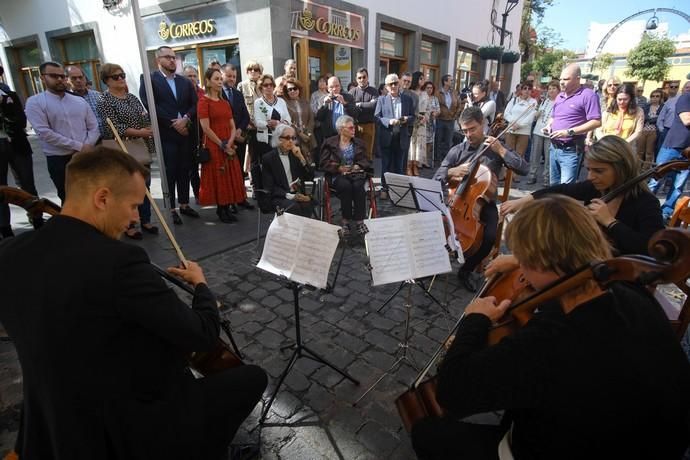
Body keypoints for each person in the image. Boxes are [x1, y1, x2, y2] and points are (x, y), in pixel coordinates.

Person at [0, 147, 267, 460]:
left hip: (50, 419)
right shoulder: (119, 263)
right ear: (102, 198)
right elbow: (202, 334)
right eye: (132, 206)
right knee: (252, 378)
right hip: (124, 425)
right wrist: (201, 287)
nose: (132, 218)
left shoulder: (9, 254)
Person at [411, 194, 690, 460]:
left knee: (427, 433)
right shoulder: (630, 290)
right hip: (654, 442)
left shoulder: (556, 334)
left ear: (537, 261)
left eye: (522, 259)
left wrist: (476, 319)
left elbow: (452, 390)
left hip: (571, 449)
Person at [501, 134, 664, 256]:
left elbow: (651, 248)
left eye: (599, 171)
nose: (590, 176)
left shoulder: (646, 203)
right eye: (590, 169)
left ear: (622, 168)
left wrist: (610, 222)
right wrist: (523, 201)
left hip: (617, 277)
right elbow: (561, 190)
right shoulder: (597, 188)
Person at [433, 106, 528, 292]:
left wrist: (501, 150)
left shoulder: (495, 146)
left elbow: (523, 169)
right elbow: (436, 177)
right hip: (456, 202)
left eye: (472, 129)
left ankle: (466, 270)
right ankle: (434, 262)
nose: (468, 134)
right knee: (432, 224)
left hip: (484, 204)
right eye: (464, 130)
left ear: (483, 124)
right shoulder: (457, 150)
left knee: (490, 236)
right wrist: (451, 171)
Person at [97, 62, 158, 239]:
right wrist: (138, 131)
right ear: (107, 80)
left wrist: (145, 128)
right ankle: (129, 224)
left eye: (123, 75)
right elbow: (111, 127)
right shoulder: (104, 100)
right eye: (116, 76)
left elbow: (143, 115)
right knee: (126, 190)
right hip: (121, 149)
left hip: (139, 146)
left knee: (143, 186)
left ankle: (145, 220)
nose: (121, 79)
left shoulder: (131, 97)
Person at [140, 46, 200, 225]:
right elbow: (150, 104)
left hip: (185, 134)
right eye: (168, 57)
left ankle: (183, 204)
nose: (172, 60)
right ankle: (171, 208)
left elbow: (194, 104)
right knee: (170, 172)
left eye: (174, 57)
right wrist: (173, 123)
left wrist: (186, 119)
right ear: (158, 60)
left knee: (184, 169)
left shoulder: (184, 81)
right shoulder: (150, 79)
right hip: (166, 135)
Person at [25, 61, 99, 203]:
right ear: (42, 78)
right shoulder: (35, 102)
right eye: (54, 76)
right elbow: (44, 133)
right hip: (59, 159)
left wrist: (87, 145)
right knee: (69, 198)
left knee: (93, 195)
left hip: (85, 155)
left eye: (62, 76)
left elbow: (94, 126)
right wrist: (79, 146)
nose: (59, 79)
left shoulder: (79, 101)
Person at [198, 68, 249, 223]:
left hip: (228, 144)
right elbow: (206, 128)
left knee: (229, 176)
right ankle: (221, 210)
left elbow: (232, 125)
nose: (220, 81)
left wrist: (231, 142)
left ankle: (227, 207)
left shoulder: (225, 103)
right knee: (219, 176)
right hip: (215, 145)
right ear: (208, 81)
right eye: (216, 79)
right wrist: (222, 144)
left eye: (221, 79)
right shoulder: (203, 102)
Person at [544, 64, 601, 184]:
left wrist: (569, 131)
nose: (562, 82)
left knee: (566, 189)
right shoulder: (560, 96)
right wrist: (549, 126)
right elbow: (554, 116)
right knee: (553, 186)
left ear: (578, 79)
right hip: (554, 147)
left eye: (566, 79)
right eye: (561, 79)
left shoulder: (588, 95)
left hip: (571, 149)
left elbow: (596, 121)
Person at [319, 115, 371, 236]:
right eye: (351, 128)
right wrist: (338, 168)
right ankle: (345, 221)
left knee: (359, 186)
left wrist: (358, 166)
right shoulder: (329, 143)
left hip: (356, 174)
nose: (354, 130)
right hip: (338, 175)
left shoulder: (359, 143)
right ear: (341, 129)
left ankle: (360, 221)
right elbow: (323, 163)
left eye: (354, 127)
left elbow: (367, 160)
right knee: (345, 186)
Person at [0, 85, 39, 238]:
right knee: (1, 190)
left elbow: (21, 122)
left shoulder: (9, 95)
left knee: (28, 184)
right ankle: (6, 230)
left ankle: (37, 220)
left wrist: (5, 106)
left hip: (17, 144)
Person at [649, 90, 690, 221]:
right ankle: (642, 207)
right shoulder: (686, 98)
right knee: (656, 179)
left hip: (688, 151)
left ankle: (665, 212)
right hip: (673, 145)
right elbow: (687, 120)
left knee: (678, 186)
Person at [374, 73, 415, 199]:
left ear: (399, 83)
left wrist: (407, 119)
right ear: (386, 86)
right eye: (390, 84)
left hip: (401, 137)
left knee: (399, 165)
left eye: (395, 83)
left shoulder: (407, 99)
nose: (393, 86)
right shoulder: (381, 99)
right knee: (385, 165)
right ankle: (384, 189)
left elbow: (413, 117)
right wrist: (388, 121)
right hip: (387, 136)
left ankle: (398, 191)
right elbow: (377, 117)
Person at [261, 124, 314, 217]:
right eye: (287, 138)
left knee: (307, 205)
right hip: (279, 195)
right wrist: (291, 196)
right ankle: (292, 231)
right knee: (294, 207)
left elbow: (310, 176)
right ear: (279, 139)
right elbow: (270, 186)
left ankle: (302, 231)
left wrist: (301, 157)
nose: (291, 141)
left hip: (297, 192)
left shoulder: (295, 154)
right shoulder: (269, 158)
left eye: (293, 138)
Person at [220, 64, 253, 202]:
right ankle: (229, 200)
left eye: (234, 76)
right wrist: (231, 133)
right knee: (227, 172)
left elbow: (245, 116)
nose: (231, 79)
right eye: (228, 76)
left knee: (239, 170)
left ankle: (241, 198)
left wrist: (239, 130)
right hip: (224, 139)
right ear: (221, 75)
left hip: (239, 138)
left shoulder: (238, 94)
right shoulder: (217, 94)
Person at [502, 82, 537, 182]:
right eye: (524, 88)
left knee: (519, 154)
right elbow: (506, 113)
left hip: (523, 132)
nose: (526, 90)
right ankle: (506, 174)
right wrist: (512, 123)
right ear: (520, 90)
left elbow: (530, 117)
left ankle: (515, 175)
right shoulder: (513, 100)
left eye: (529, 89)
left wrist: (519, 125)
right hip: (511, 129)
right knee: (508, 152)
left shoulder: (533, 102)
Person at [237, 60, 264, 188]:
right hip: (249, 127)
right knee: (252, 159)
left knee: (263, 157)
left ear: (260, 72)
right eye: (250, 70)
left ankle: (262, 184)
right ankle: (255, 187)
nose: (253, 72)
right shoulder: (242, 86)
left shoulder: (264, 85)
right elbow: (240, 108)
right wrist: (248, 122)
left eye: (256, 69)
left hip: (263, 126)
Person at [527, 80, 559, 185]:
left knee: (548, 156)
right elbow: (537, 114)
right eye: (549, 89)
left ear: (558, 90)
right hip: (538, 130)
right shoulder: (544, 101)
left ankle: (546, 178)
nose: (551, 91)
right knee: (535, 155)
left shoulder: (560, 102)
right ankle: (532, 175)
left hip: (550, 132)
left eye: (554, 88)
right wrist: (536, 114)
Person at [315, 76, 357, 155]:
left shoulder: (349, 97)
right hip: (330, 136)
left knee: (346, 161)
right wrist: (325, 105)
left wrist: (344, 103)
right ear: (327, 88)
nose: (334, 89)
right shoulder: (323, 99)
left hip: (347, 135)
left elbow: (355, 113)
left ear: (340, 86)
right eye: (331, 87)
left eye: (337, 86)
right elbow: (319, 117)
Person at [599, 83, 644, 154]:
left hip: (625, 148)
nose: (622, 102)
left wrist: (622, 144)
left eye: (625, 99)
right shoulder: (609, 111)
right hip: (606, 147)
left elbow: (638, 132)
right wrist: (604, 141)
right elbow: (599, 129)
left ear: (631, 99)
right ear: (615, 98)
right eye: (619, 99)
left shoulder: (638, 111)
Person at [183, 65, 205, 201]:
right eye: (188, 76)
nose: (192, 78)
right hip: (189, 134)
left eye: (194, 76)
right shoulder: (182, 94)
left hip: (204, 132)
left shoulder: (203, 93)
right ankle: (198, 194)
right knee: (193, 167)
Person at [284, 78, 317, 163]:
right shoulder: (285, 104)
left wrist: (308, 133)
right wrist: (300, 134)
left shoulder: (305, 101)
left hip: (308, 136)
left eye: (295, 88)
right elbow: (288, 121)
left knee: (309, 162)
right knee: (297, 162)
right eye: (289, 89)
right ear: (286, 92)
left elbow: (311, 119)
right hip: (294, 137)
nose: (292, 91)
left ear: (299, 89)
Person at [349, 68, 378, 160]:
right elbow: (350, 108)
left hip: (369, 125)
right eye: (359, 78)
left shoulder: (373, 91)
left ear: (367, 77)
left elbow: (374, 105)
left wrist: (359, 104)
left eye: (364, 77)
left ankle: (367, 172)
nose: (362, 80)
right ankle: (357, 172)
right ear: (356, 79)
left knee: (367, 152)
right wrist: (367, 105)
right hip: (354, 125)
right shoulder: (352, 92)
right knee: (355, 151)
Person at [66, 65, 103, 135]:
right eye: (74, 78)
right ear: (67, 80)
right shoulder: (65, 100)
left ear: (85, 78)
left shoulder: (98, 96)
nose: (78, 80)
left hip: (104, 139)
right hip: (83, 143)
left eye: (80, 77)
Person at [656, 80, 690, 154]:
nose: (689, 89)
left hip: (683, 135)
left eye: (676, 87)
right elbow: (661, 117)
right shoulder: (670, 101)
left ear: (678, 88)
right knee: (662, 155)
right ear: (683, 89)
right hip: (667, 131)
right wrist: (662, 130)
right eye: (687, 87)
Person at [407, 71, 429, 176]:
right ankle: (408, 166)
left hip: (422, 122)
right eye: (421, 78)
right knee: (412, 144)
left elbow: (428, 108)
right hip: (413, 119)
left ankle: (415, 166)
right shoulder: (410, 92)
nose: (423, 81)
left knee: (419, 145)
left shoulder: (425, 93)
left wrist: (426, 117)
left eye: (423, 79)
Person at [435, 75, 462, 163]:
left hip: (450, 120)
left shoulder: (454, 92)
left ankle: (446, 159)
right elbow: (435, 105)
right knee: (438, 139)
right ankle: (437, 158)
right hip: (440, 119)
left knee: (448, 141)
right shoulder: (438, 93)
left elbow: (459, 105)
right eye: (451, 80)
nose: (452, 82)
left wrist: (455, 115)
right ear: (445, 82)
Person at [637, 88, 664, 164]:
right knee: (639, 151)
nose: (655, 98)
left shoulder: (662, 107)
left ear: (660, 97)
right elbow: (643, 117)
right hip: (643, 130)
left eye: (657, 96)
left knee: (649, 153)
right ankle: (637, 168)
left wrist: (651, 119)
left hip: (654, 131)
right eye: (653, 96)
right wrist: (653, 118)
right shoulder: (646, 106)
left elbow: (659, 119)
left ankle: (645, 170)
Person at [422, 81, 440, 168]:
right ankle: (420, 160)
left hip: (431, 123)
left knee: (429, 142)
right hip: (423, 122)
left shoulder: (435, 99)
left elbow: (438, 110)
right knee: (423, 142)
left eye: (431, 88)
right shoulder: (422, 97)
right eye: (428, 88)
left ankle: (425, 160)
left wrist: (435, 113)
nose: (429, 89)